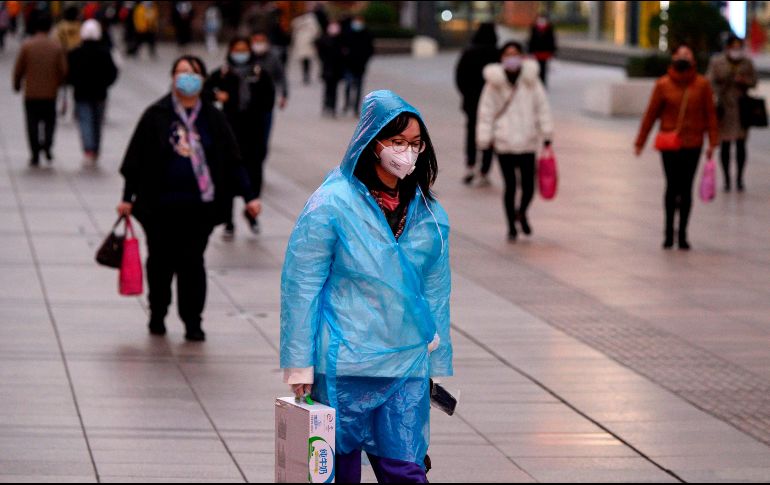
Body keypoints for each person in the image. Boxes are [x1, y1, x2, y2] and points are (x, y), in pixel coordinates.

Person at [281, 90, 452, 483]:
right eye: (397, 142)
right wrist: (299, 362)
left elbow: (436, 290)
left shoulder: (427, 212)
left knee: (405, 468)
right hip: (346, 362)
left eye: (415, 144)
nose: (407, 152)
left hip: (406, 360)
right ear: (372, 142)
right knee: (338, 470)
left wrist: (437, 361)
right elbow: (301, 284)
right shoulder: (332, 203)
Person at [117, 55, 262, 341]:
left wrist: (249, 197)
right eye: (181, 72)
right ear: (172, 77)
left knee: (192, 263)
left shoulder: (212, 117)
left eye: (193, 72)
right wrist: (126, 198)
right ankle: (158, 311)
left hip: (199, 207)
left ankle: (192, 320)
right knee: (159, 261)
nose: (187, 77)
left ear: (203, 79)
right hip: (158, 206)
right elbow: (137, 160)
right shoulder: (155, 115)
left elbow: (233, 160)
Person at [635, 44, 718, 251]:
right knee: (672, 186)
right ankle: (668, 232)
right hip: (670, 143)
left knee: (686, 187)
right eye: (680, 54)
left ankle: (682, 234)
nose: (683, 57)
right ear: (673, 58)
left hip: (693, 143)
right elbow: (651, 114)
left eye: (687, 55)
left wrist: (713, 143)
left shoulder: (702, 85)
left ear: (693, 60)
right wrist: (640, 141)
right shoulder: (663, 85)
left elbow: (710, 115)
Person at [476, 42, 553, 242]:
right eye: (508, 54)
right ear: (501, 58)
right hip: (504, 143)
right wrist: (485, 138)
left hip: (527, 141)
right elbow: (486, 113)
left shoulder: (531, 81)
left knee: (528, 186)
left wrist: (546, 133)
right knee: (510, 186)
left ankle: (522, 212)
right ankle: (511, 224)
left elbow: (542, 107)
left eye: (515, 54)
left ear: (522, 57)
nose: (512, 58)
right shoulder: (494, 83)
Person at [206, 37, 275, 238]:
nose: (240, 53)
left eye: (244, 49)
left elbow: (268, 100)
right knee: (227, 179)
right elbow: (204, 89)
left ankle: (251, 213)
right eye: (236, 49)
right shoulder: (223, 73)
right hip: (229, 133)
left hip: (253, 134)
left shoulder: (259, 73)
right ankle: (228, 221)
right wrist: (218, 96)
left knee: (253, 177)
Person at [12, 14, 67, 167]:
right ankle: (47, 146)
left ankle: (35, 152)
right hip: (50, 93)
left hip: (31, 93)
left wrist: (17, 84)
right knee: (50, 122)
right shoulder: (56, 47)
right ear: (49, 28)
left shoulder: (27, 45)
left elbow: (18, 69)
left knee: (32, 123)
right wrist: (60, 84)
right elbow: (63, 70)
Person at [707, 35, 757, 192]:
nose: (736, 50)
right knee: (726, 145)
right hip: (724, 107)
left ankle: (739, 178)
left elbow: (754, 81)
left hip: (742, 108)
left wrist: (744, 81)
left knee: (741, 145)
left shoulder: (747, 63)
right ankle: (727, 179)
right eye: (733, 47)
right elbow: (710, 81)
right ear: (728, 47)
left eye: (739, 47)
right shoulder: (717, 62)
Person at [67, 19, 118, 166]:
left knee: (85, 121)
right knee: (97, 122)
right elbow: (113, 72)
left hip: (81, 93)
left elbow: (68, 74)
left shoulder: (75, 53)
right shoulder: (104, 52)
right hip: (100, 93)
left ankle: (88, 149)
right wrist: (106, 84)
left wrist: (74, 83)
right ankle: (95, 148)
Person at [455, 22, 499, 186]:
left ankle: (470, 165)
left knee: (471, 133)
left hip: (471, 102)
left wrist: (466, 94)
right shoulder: (496, 53)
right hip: (492, 104)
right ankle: (484, 169)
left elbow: (459, 77)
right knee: (489, 135)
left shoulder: (468, 52)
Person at [250, 31, 287, 158]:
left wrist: (284, 95)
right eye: (256, 41)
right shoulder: (248, 58)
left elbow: (281, 76)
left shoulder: (273, 57)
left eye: (261, 42)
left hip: (266, 103)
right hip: (247, 105)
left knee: (263, 139)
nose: (259, 45)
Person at [340, 15, 374, 116]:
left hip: (360, 66)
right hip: (348, 65)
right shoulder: (347, 33)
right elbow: (342, 47)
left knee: (359, 87)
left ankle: (356, 108)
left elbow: (370, 49)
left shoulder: (367, 34)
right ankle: (346, 104)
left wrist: (364, 60)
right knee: (348, 85)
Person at [315, 22, 345, 117]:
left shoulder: (340, 40)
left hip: (337, 70)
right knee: (327, 89)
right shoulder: (324, 40)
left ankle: (332, 107)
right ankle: (326, 105)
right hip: (327, 69)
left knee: (334, 90)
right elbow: (320, 51)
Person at [290, 10, 320, 85]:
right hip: (300, 44)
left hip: (309, 43)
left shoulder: (311, 20)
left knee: (308, 61)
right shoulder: (296, 22)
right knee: (303, 61)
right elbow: (294, 34)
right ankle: (305, 75)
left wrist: (313, 39)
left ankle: (307, 75)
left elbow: (316, 31)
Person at [527, 13, 557, 86]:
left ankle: (543, 83)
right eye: (540, 18)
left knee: (543, 68)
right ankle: (537, 82)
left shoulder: (549, 27)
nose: (541, 20)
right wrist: (530, 51)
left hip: (545, 52)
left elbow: (552, 39)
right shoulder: (534, 27)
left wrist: (552, 51)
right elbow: (531, 39)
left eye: (543, 18)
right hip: (536, 51)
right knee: (536, 68)